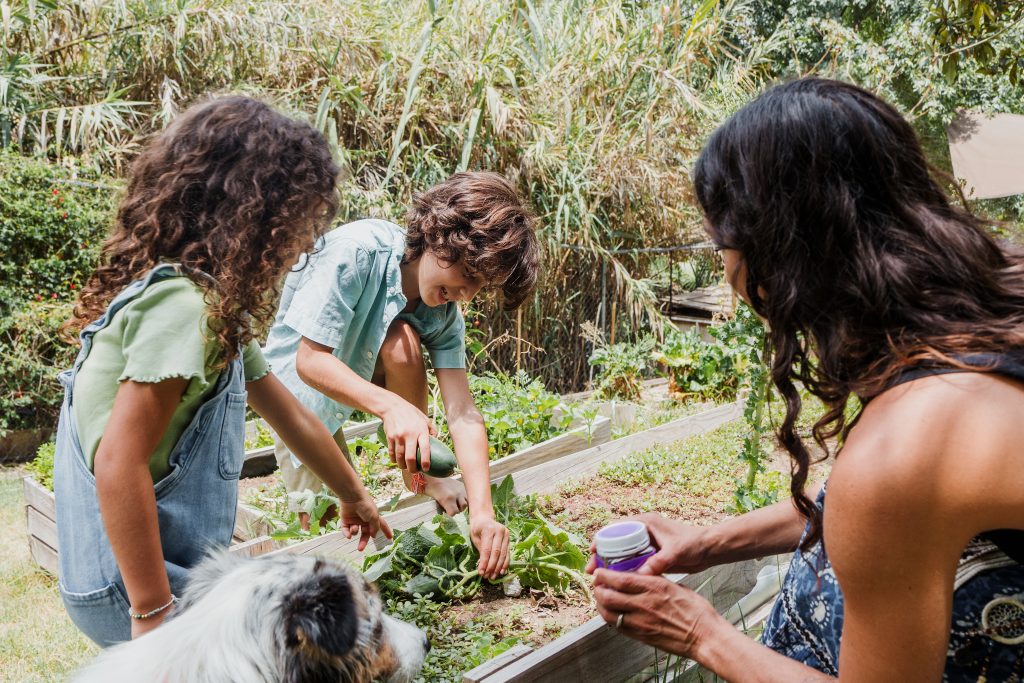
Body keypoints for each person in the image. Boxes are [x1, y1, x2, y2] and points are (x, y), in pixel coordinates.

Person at [590, 77, 1024, 681]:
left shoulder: (905, 448)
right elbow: (893, 511)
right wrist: (707, 542)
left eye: (722, 245)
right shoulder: (990, 312)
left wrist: (700, 633)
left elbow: (887, 498)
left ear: (779, 259)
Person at [54, 95, 391, 647]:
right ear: (250, 214)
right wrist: (151, 612)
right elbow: (118, 462)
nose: (306, 241)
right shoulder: (182, 311)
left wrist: (353, 494)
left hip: (146, 575)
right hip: (137, 584)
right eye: (299, 220)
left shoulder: (211, 313)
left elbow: (293, 416)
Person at [262, 171, 539, 580]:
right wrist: (393, 407)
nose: (467, 295)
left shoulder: (442, 312)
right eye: (467, 275)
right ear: (440, 237)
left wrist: (483, 514)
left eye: (480, 286)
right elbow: (310, 362)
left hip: (363, 368)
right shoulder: (358, 252)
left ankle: (420, 474)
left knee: (403, 337)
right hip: (298, 394)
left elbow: (462, 413)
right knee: (324, 527)